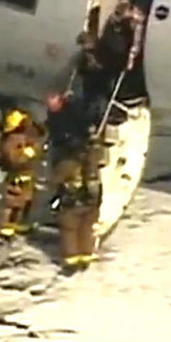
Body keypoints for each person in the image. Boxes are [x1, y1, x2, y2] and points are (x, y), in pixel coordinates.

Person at [45, 92, 100, 271]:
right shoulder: (90, 159)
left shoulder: (67, 163)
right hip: (89, 200)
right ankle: (85, 256)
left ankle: (70, 260)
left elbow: (56, 178)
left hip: (71, 201)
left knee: (70, 231)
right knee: (86, 229)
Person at [0, 106, 45, 239]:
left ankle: (20, 222)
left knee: (27, 200)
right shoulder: (10, 140)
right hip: (16, 176)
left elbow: (38, 140)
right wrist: (26, 154)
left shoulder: (27, 136)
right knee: (12, 203)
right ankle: (7, 227)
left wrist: (35, 149)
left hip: (28, 175)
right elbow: (13, 160)